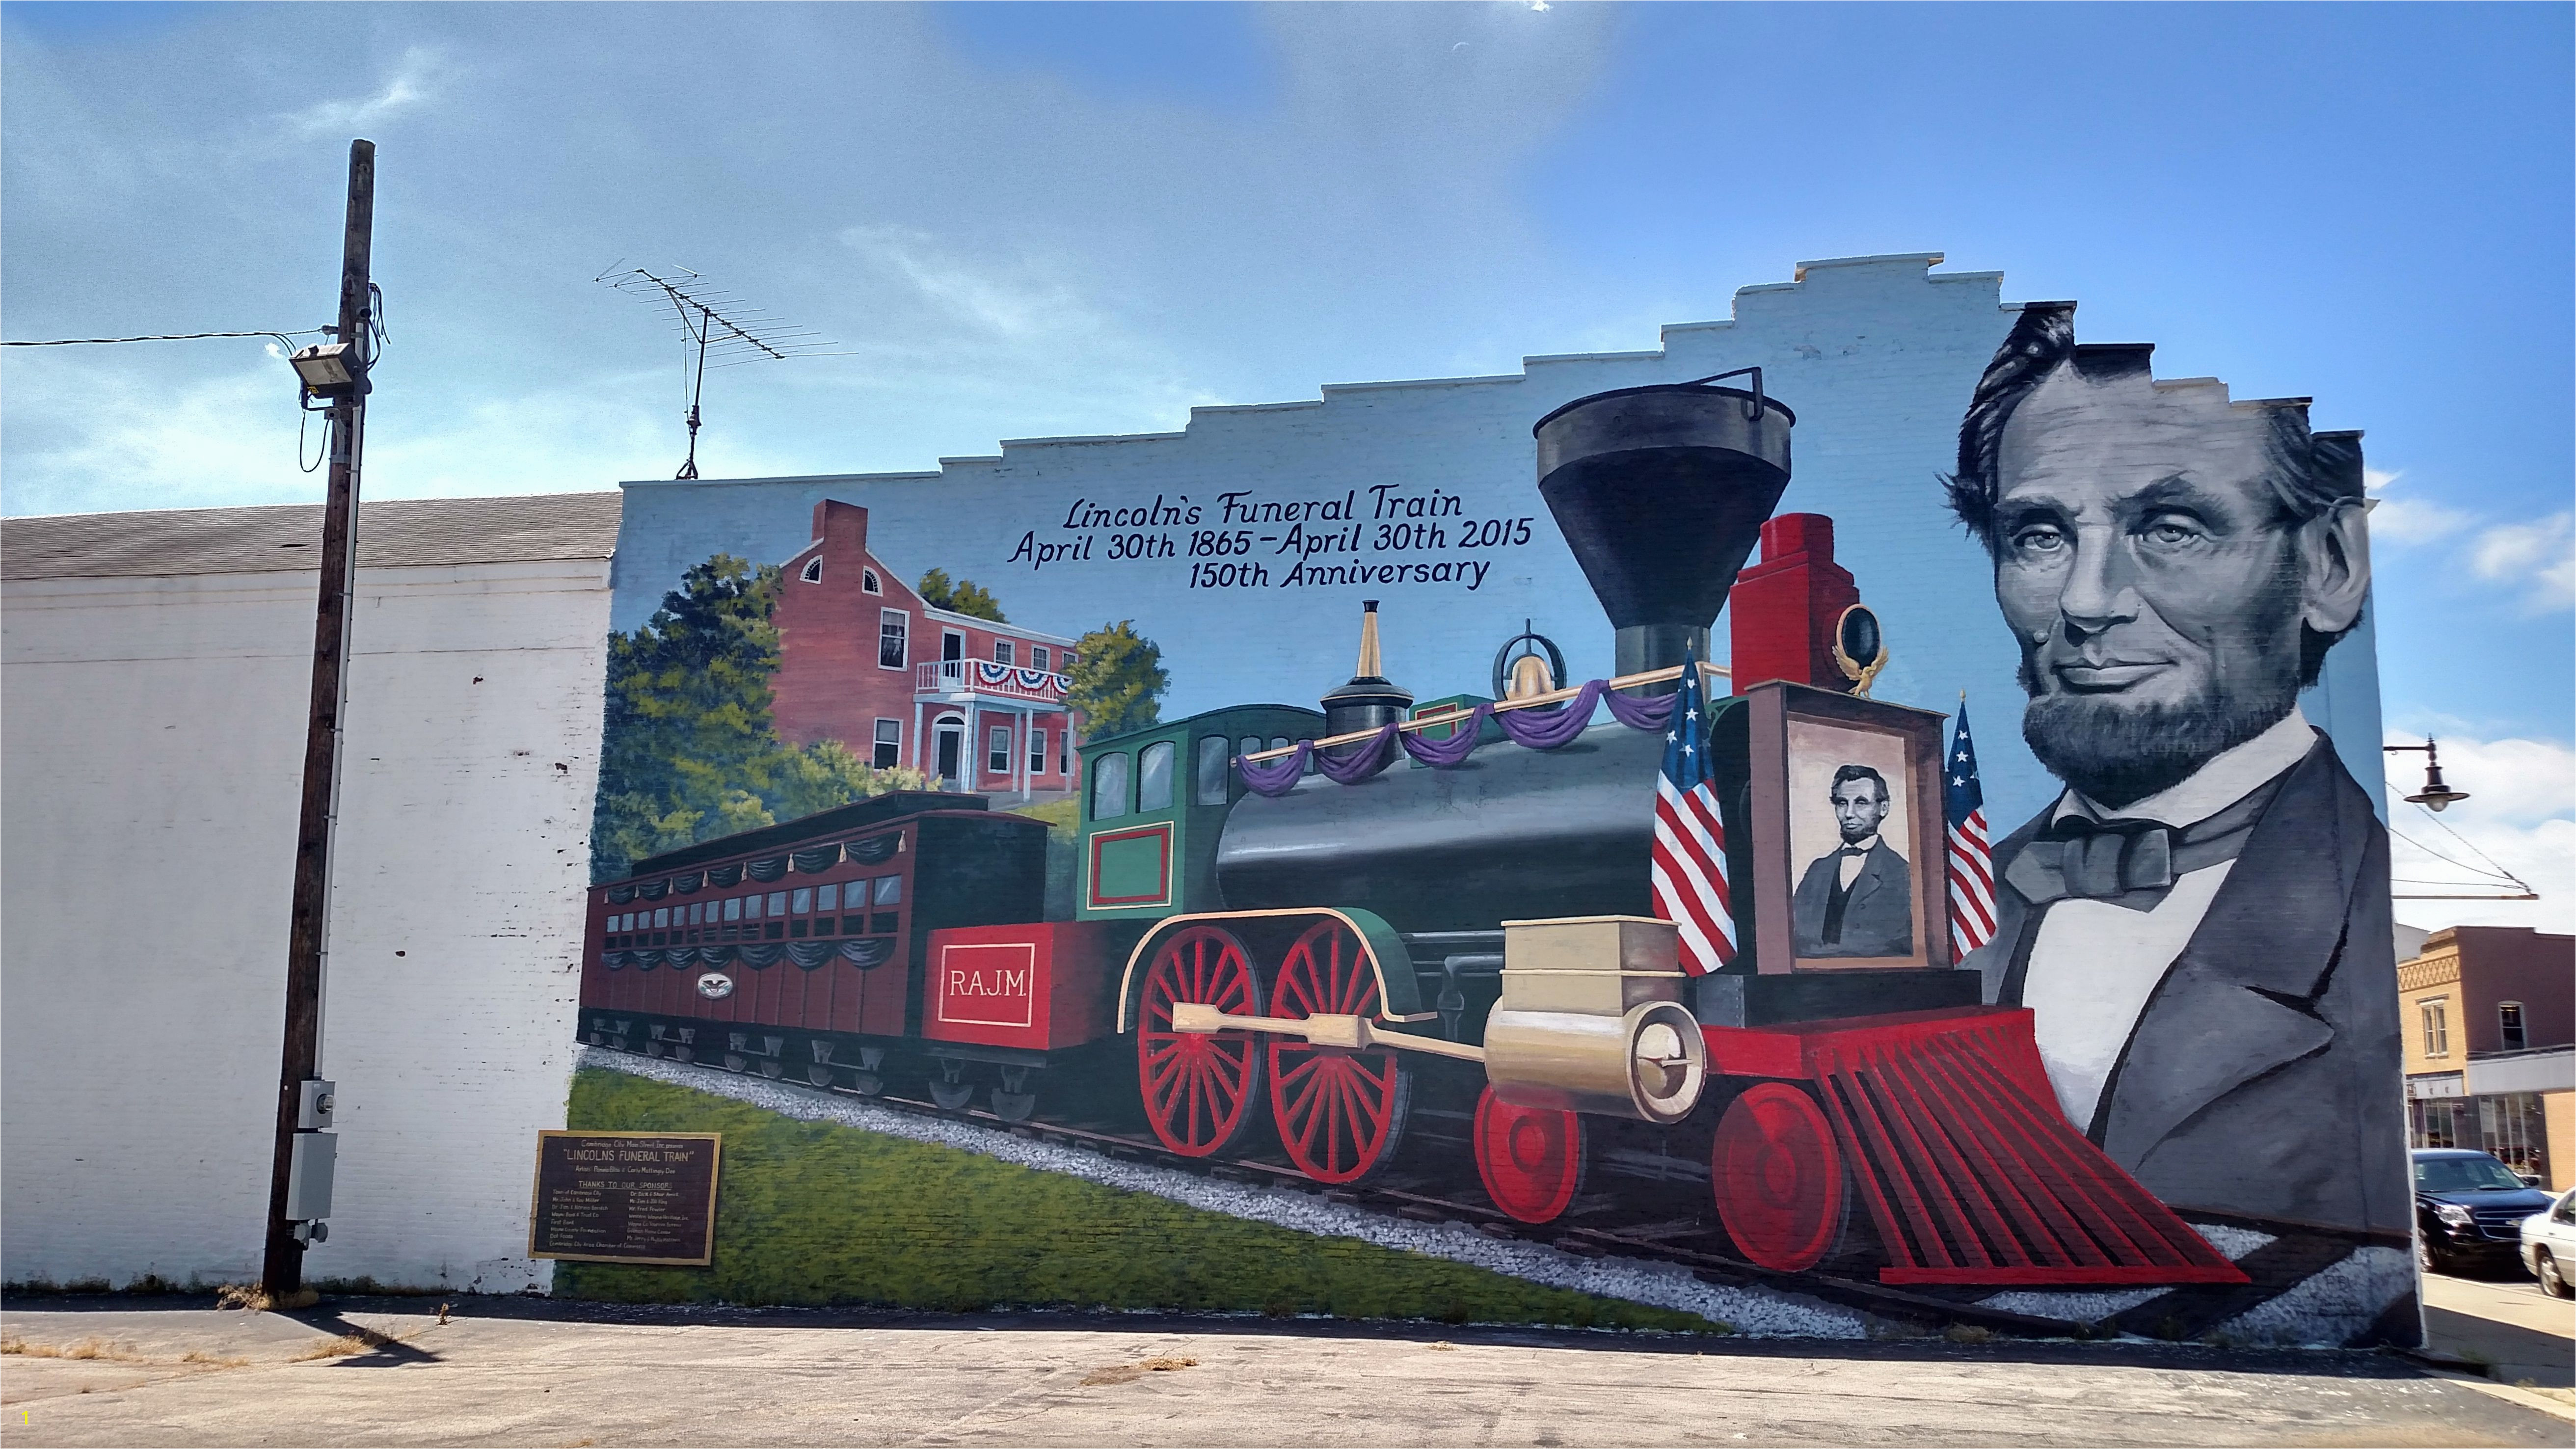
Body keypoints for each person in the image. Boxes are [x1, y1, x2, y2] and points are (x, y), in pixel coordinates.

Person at [1946, 302, 2407, 1241]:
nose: (2082, 601)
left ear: (2328, 565)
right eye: (2037, 536)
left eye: (2170, 526)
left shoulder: (2358, 910)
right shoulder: (1948, 914)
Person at [1791, 764, 1913, 957]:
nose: (1849, 813)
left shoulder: (1902, 873)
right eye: (1842, 803)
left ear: (1884, 808)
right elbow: (1794, 937)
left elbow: (1899, 947)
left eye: (1861, 803)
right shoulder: (1817, 870)